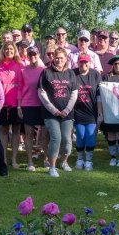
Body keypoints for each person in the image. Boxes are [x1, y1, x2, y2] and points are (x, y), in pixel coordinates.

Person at [38, 47, 78, 177]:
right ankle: (52, 167)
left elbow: (74, 92)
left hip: (67, 114)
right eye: (57, 57)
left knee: (67, 141)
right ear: (53, 58)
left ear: (66, 58)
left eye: (61, 57)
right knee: (56, 138)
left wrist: (66, 110)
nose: (59, 60)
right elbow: (41, 93)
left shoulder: (71, 73)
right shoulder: (46, 72)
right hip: (51, 114)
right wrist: (54, 110)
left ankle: (64, 161)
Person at [0, 41, 24, 168]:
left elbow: (21, 86)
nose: (9, 51)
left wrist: (19, 104)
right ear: (3, 51)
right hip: (2, 104)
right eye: (7, 49)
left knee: (16, 131)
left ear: (15, 51)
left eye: (11, 49)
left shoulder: (20, 65)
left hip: (16, 104)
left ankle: (14, 159)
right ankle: (4, 159)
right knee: (3, 131)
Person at [99, 55, 119, 167]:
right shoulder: (106, 78)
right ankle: (113, 157)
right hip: (109, 111)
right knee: (111, 135)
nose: (118, 66)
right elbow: (100, 95)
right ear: (113, 66)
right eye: (116, 64)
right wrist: (100, 112)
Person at [20, 46, 47, 171]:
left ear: (38, 55)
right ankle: (30, 162)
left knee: (45, 134)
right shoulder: (23, 71)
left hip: (42, 104)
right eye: (30, 54)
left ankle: (46, 159)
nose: (32, 57)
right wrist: (19, 105)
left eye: (34, 54)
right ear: (27, 56)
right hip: (28, 104)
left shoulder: (44, 70)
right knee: (29, 134)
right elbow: (20, 89)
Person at [73, 54, 102, 171]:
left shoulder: (95, 75)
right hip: (77, 111)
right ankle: (80, 158)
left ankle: (89, 160)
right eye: (81, 62)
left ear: (90, 63)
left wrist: (100, 113)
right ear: (78, 63)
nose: (83, 64)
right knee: (80, 135)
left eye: (86, 62)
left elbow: (100, 95)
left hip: (91, 112)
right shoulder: (72, 73)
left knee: (90, 135)